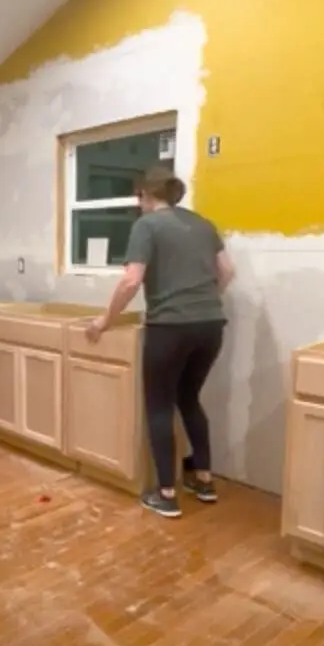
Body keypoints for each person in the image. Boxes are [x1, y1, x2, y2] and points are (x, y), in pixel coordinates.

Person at [86, 166, 234, 518]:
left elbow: (131, 281)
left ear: (147, 195)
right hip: (211, 325)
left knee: (159, 406)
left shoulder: (147, 225)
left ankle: (166, 494)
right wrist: (203, 301)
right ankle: (204, 480)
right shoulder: (203, 224)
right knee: (189, 398)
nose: (137, 205)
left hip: (169, 328)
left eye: (138, 198)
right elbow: (228, 271)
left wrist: (105, 320)